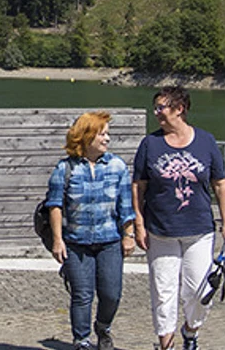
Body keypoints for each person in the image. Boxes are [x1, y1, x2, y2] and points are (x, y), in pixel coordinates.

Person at [132, 86, 225, 350]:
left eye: (161, 108)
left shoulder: (206, 141)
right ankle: (165, 344)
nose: (157, 113)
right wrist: (139, 224)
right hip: (160, 231)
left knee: (200, 292)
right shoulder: (150, 144)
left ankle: (191, 331)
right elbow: (138, 186)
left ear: (180, 109)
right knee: (163, 292)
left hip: (199, 231)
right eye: (155, 108)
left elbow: (220, 185)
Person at [45, 111, 136, 350]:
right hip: (76, 243)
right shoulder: (65, 168)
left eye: (107, 134)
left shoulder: (117, 166)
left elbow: (125, 205)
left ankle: (103, 327)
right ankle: (82, 340)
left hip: (110, 242)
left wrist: (129, 236)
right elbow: (54, 206)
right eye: (102, 134)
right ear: (86, 137)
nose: (107, 139)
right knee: (82, 295)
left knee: (111, 294)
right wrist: (57, 240)